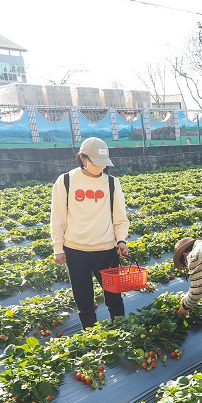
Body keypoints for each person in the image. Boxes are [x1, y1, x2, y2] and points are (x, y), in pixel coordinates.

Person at [50, 137, 130, 329]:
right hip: (75, 251)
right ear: (82, 158)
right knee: (84, 301)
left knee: (114, 298)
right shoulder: (66, 181)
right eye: (95, 162)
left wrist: (121, 240)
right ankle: (91, 337)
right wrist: (58, 248)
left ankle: (121, 332)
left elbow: (120, 216)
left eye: (103, 163)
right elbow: (58, 217)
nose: (99, 167)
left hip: (106, 251)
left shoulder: (111, 183)